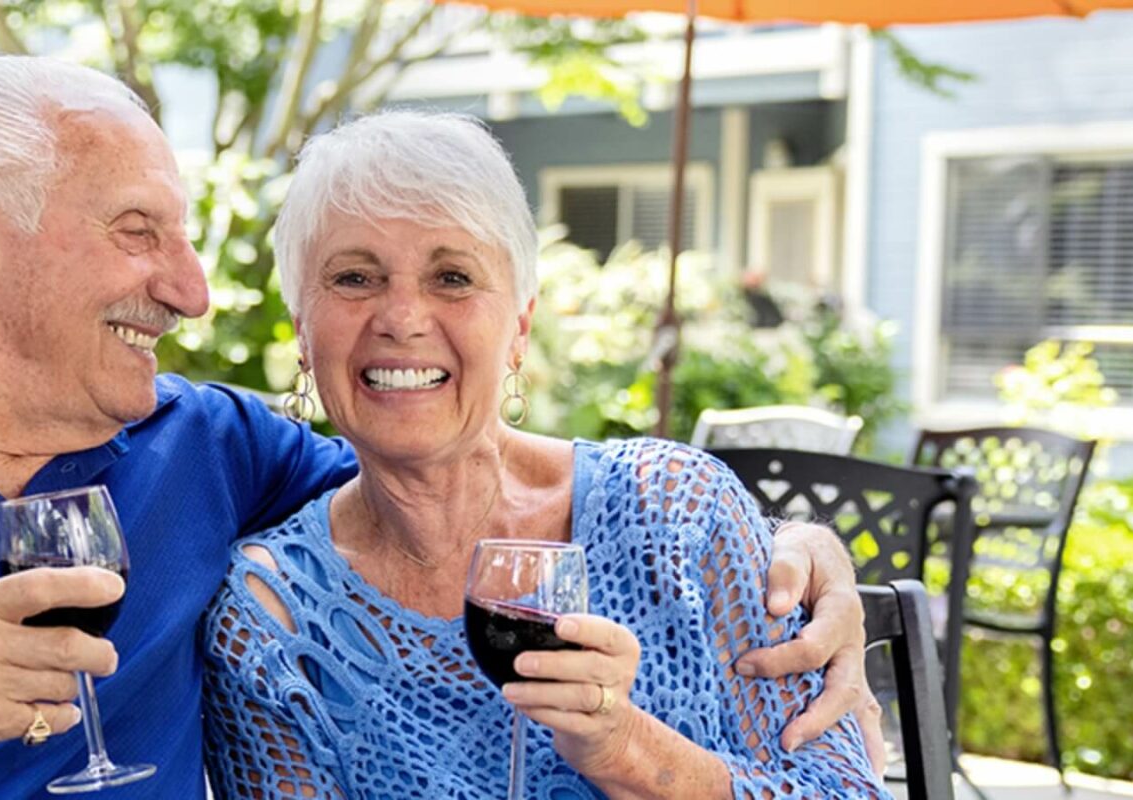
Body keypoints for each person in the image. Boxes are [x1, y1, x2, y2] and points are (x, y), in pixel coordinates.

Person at [0, 56, 876, 799]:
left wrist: (799, 546)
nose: (188, 291)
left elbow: (441, 453)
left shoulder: (212, 451)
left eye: (189, 242)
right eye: (138, 236)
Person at [203, 111, 885, 798]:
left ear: (519, 327)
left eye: (453, 278)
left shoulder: (678, 514)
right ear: (301, 331)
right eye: (354, 278)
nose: (402, 317)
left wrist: (626, 748)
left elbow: (845, 788)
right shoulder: (276, 622)